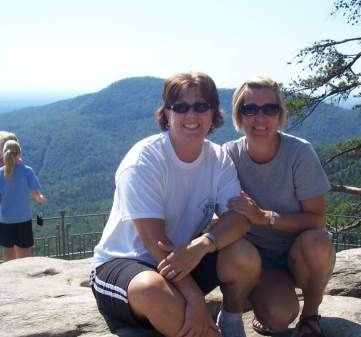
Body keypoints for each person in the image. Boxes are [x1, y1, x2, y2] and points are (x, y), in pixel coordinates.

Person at [90, 72, 260, 337]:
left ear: (213, 111)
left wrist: (202, 245)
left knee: (243, 254)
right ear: (167, 113)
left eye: (201, 106)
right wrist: (195, 301)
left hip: (182, 260)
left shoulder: (218, 159)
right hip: (127, 264)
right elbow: (153, 244)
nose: (191, 115)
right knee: (152, 289)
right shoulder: (144, 161)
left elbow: (240, 218)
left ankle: (231, 320)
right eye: (180, 107)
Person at [224, 78, 335, 337]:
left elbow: (317, 220)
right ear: (238, 114)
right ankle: (260, 300)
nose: (260, 117)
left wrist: (265, 218)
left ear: (280, 114)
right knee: (278, 318)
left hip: (299, 253)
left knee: (318, 242)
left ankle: (310, 315)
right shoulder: (228, 155)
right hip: (257, 261)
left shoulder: (299, 153)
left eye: (269, 109)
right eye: (250, 109)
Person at [0, 140, 46, 261]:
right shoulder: (27, 171)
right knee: (24, 250)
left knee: (8, 250)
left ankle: (10, 277)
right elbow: (36, 196)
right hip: (23, 218)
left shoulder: (0, 173)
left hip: (5, 220)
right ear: (19, 154)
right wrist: (41, 199)